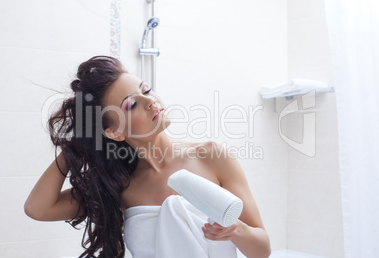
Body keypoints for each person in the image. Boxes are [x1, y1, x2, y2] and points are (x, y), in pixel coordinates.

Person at [24, 55, 271, 258]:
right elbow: (38, 209)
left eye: (146, 89)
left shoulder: (211, 156)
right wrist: (74, 148)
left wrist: (234, 229)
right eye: (131, 105)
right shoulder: (120, 184)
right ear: (115, 132)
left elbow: (262, 249)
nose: (150, 102)